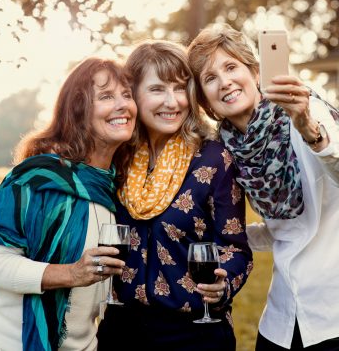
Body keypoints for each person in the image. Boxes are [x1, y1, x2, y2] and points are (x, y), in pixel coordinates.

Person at [187, 23, 339, 351]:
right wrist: (225, 236)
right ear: (205, 100)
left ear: (254, 71)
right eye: (210, 78)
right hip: (287, 310)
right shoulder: (232, 147)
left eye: (231, 67)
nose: (225, 81)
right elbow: (287, 227)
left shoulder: (303, 108)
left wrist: (308, 128)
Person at [0, 57, 137, 351]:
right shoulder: (37, 178)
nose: (123, 105)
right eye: (107, 96)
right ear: (79, 110)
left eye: (127, 95)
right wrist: (70, 273)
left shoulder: (114, 186)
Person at [96, 40, 253, 350]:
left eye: (180, 88)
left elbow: (236, 248)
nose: (172, 102)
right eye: (157, 89)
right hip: (122, 329)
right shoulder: (118, 157)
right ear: (133, 93)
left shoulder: (214, 159)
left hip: (194, 332)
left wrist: (224, 284)